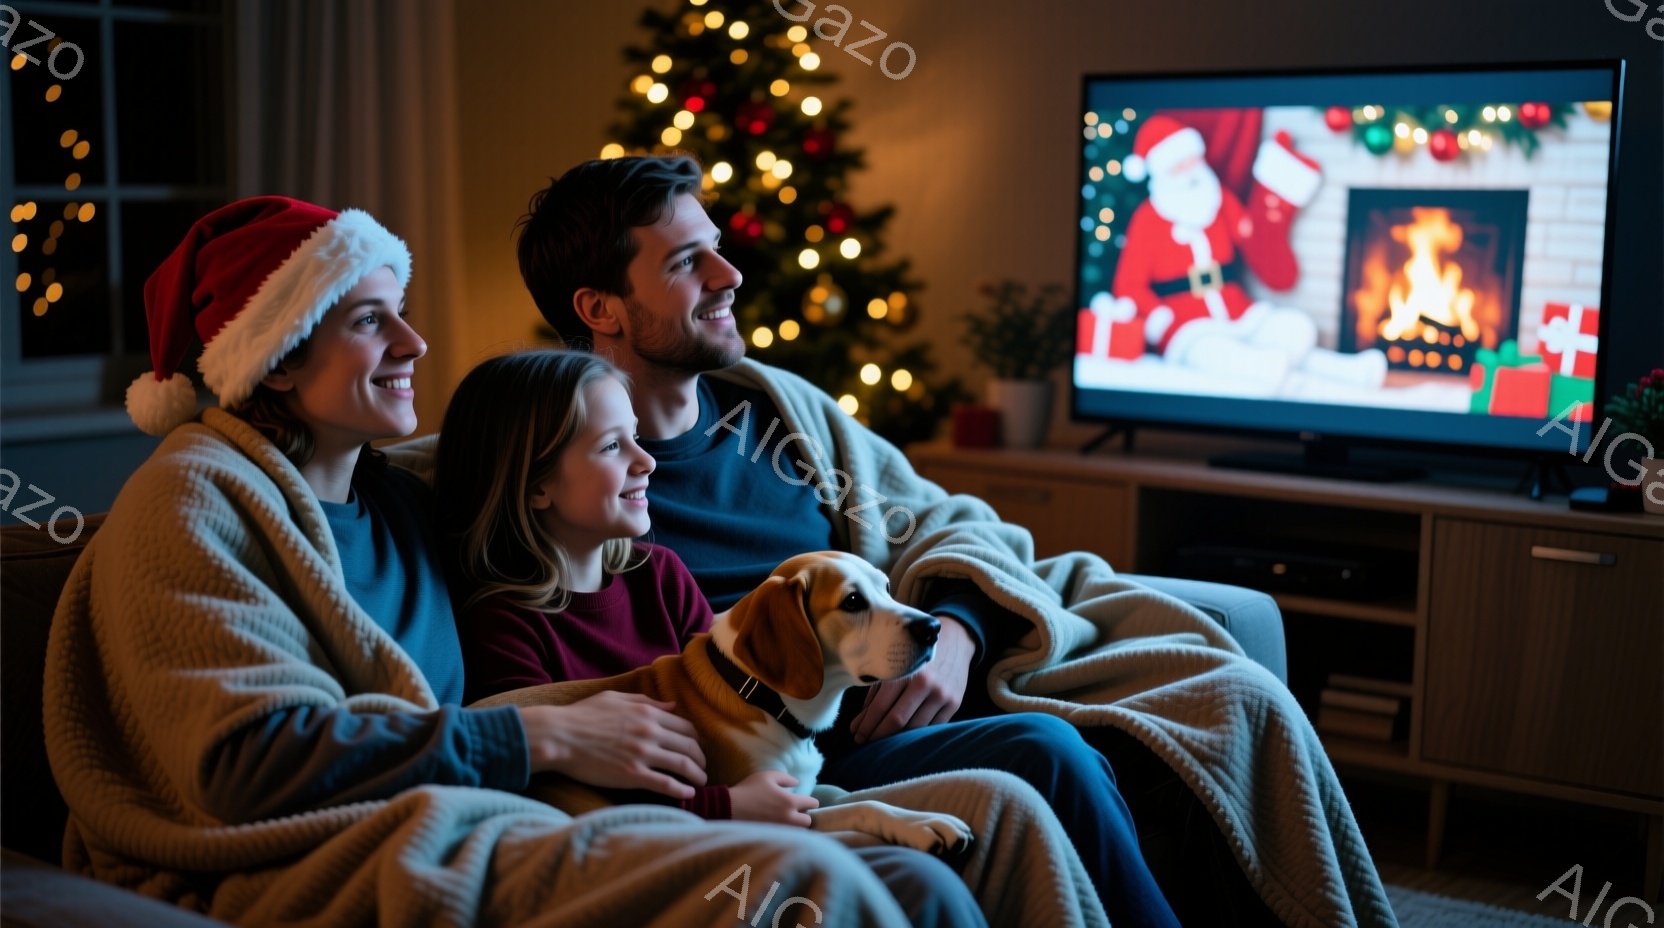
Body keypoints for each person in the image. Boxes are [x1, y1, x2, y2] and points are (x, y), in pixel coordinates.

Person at [41, 196, 984, 928]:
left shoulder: (400, 499)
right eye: (370, 322)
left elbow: (532, 473)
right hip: (329, 849)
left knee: (963, 841)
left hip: (490, 805)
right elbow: (241, 764)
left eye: (402, 312)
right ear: (276, 360)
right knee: (812, 880)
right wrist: (542, 740)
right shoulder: (195, 501)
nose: (414, 343)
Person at [509, 155, 1401, 928]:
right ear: (601, 308)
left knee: (1225, 701)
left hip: (924, 663)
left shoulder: (776, 413)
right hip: (814, 742)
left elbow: (943, 522)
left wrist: (962, 629)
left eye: (717, 247)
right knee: (1047, 752)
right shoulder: (574, 478)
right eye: (686, 262)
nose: (729, 275)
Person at [429, 347, 1110, 928]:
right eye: (613, 447)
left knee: (1026, 780)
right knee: (924, 878)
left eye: (637, 437)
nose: (646, 461)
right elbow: (543, 787)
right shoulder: (504, 623)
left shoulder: (658, 573)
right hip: (691, 843)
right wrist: (722, 807)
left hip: (781, 790)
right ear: (537, 486)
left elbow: (736, 701)